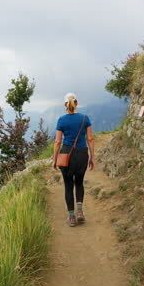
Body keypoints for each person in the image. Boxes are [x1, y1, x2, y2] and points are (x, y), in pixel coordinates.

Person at [52, 92, 95, 227]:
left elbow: (58, 142)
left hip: (66, 156)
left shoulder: (61, 120)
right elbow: (90, 139)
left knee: (68, 186)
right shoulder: (85, 118)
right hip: (82, 154)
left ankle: (71, 218)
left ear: (66, 104)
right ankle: (80, 211)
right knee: (80, 182)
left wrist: (54, 159)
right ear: (76, 103)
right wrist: (92, 157)